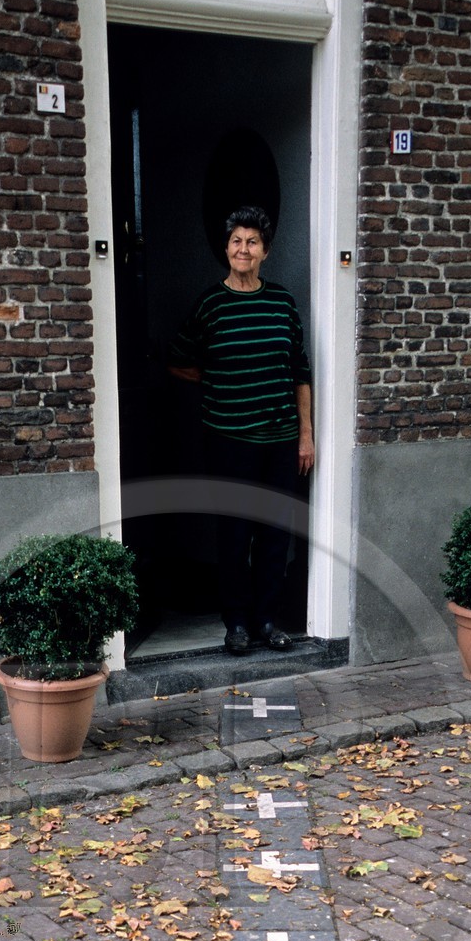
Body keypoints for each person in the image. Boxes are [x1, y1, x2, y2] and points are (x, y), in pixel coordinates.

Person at [168, 205, 314, 654]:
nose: (243, 248)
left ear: (265, 251)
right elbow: (178, 359)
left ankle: (267, 620)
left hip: (280, 440)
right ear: (225, 248)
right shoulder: (210, 304)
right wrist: (216, 382)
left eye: (252, 241)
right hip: (229, 439)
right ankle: (236, 623)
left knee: (275, 535)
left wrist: (306, 433)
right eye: (236, 240)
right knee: (234, 535)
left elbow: (299, 371)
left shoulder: (282, 302)